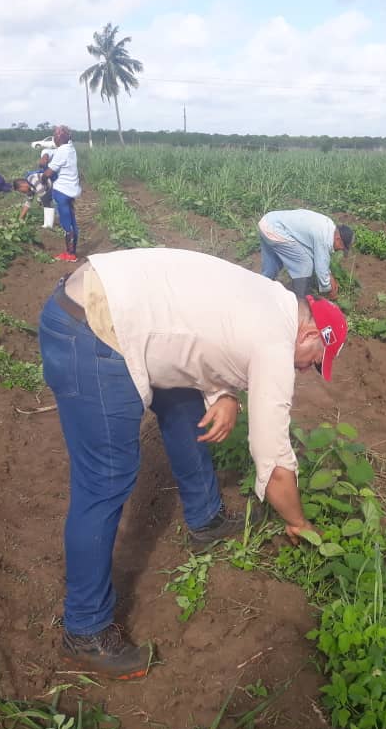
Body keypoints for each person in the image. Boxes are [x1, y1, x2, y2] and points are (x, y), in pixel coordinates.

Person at [38, 247, 348, 679]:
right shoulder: (275, 340)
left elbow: (201, 338)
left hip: (105, 300)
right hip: (93, 333)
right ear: (310, 332)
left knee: (183, 402)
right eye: (315, 361)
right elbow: (273, 459)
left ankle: (205, 519)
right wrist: (299, 524)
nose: (309, 371)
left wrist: (223, 394)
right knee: (105, 481)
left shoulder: (268, 299)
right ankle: (84, 631)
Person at [257, 209, 354, 299]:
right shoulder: (324, 238)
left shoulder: (328, 227)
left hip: (268, 221)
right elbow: (321, 267)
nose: (340, 250)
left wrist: (329, 275)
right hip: (275, 230)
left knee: (272, 266)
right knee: (304, 264)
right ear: (338, 240)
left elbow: (318, 258)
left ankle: (259, 292)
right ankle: (300, 302)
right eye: (342, 248)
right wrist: (329, 288)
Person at [43, 125, 81, 262]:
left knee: (66, 224)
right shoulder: (70, 148)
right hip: (71, 191)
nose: (54, 138)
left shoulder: (62, 151)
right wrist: (45, 154)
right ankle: (72, 251)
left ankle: (70, 254)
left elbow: (49, 172)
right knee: (72, 222)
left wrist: (42, 177)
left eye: (56, 135)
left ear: (59, 138)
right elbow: (50, 151)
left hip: (62, 191)